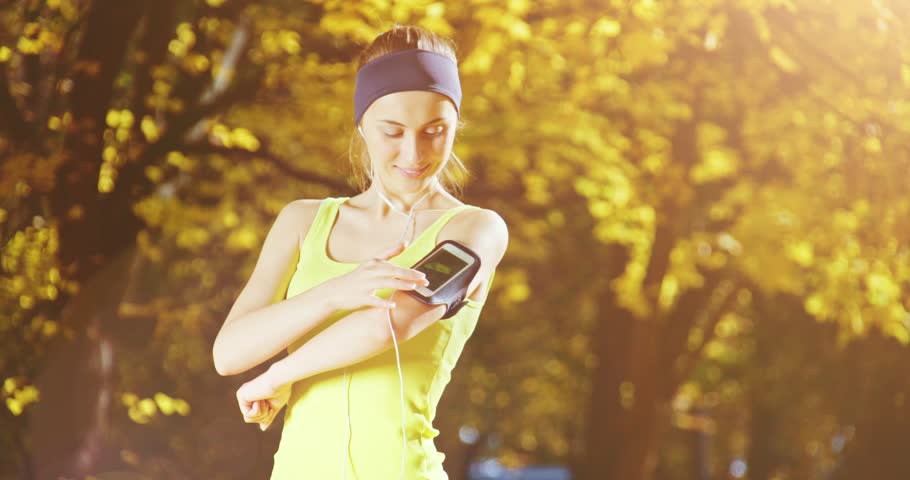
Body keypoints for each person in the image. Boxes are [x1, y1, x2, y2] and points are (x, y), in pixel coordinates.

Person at [212, 24, 509, 479]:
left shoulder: (475, 230)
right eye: (393, 131)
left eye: (435, 131)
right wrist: (334, 293)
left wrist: (275, 377)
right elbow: (229, 353)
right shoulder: (303, 222)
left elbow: (388, 323)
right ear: (362, 123)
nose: (414, 152)